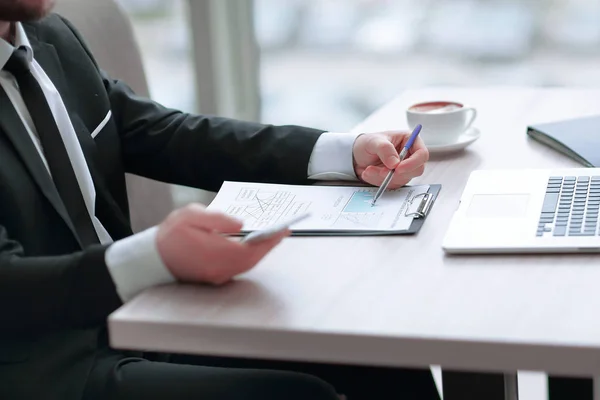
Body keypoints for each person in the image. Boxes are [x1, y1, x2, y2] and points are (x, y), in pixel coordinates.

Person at [0, 0, 441, 399]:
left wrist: (343, 153)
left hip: (144, 313)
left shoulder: (49, 37)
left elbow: (164, 133)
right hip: (43, 363)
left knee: (380, 352)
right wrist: (154, 258)